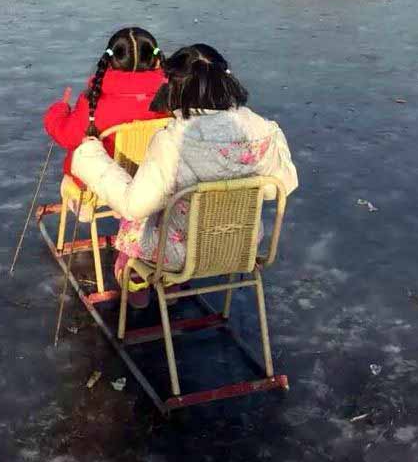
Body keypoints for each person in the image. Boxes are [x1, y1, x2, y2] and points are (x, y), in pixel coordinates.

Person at [72, 43, 299, 304]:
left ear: (176, 87)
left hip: (179, 252)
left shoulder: (174, 141)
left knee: (135, 219)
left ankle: (135, 283)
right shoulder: (263, 131)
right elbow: (278, 187)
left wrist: (92, 158)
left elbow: (134, 206)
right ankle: (170, 291)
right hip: (240, 246)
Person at [43, 27, 168, 205]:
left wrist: (58, 110)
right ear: (156, 60)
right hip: (155, 183)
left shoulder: (95, 102)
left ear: (109, 61)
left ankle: (87, 208)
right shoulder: (172, 96)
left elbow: (67, 136)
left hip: (103, 187)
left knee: (74, 171)